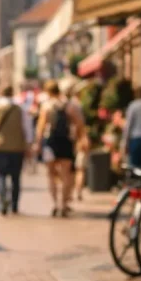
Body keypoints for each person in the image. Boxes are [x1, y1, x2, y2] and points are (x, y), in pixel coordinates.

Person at [34, 80, 85, 217]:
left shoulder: (46, 106)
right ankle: (64, 204)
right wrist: (81, 139)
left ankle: (55, 204)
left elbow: (41, 127)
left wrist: (37, 143)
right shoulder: (70, 105)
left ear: (48, 91)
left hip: (50, 143)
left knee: (51, 174)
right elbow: (80, 124)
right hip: (66, 142)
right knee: (66, 174)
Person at [0, 86, 32, 215]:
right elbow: (28, 129)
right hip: (17, 148)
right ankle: (14, 205)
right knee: (16, 178)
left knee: (0, 176)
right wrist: (28, 146)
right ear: (12, 93)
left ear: (0, 93)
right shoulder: (20, 109)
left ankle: (3, 202)